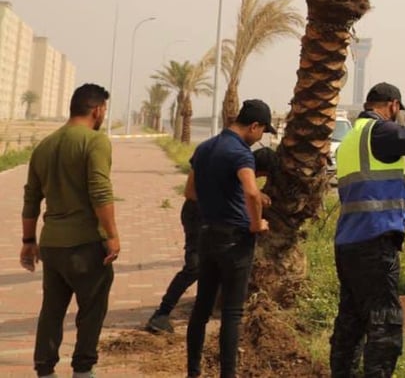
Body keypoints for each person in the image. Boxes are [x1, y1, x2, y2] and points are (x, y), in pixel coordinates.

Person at [330, 79, 405, 378]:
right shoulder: (381, 131)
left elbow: (376, 196)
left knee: (351, 321)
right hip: (375, 247)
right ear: (393, 106)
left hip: (348, 245)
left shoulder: (350, 141)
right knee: (385, 324)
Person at [21, 83, 119, 378]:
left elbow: (31, 197)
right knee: (91, 309)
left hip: (52, 245)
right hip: (86, 244)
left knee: (51, 310)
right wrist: (112, 235)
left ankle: (45, 369)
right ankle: (83, 370)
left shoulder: (45, 145)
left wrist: (28, 241)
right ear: (98, 110)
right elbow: (100, 192)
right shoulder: (94, 141)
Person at [145, 147, 279, 334]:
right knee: (195, 266)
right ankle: (161, 314)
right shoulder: (239, 169)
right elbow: (233, 195)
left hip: (202, 215)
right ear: (261, 171)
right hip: (197, 215)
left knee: (211, 265)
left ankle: (206, 309)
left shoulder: (231, 163)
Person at [185, 100, 275, 378]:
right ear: (254, 126)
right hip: (235, 241)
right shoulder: (240, 153)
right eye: (262, 131)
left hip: (207, 234)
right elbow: (250, 191)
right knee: (232, 313)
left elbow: (190, 191)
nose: (261, 137)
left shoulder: (205, 148)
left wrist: (221, 202)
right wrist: (257, 222)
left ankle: (193, 372)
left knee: (201, 308)